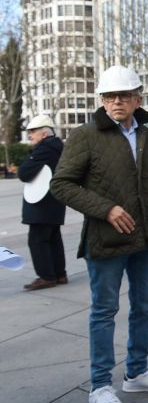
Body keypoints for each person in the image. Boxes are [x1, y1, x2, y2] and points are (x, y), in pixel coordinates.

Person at [50, 66, 148, 403]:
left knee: (145, 308)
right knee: (104, 312)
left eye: (123, 95)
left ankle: (136, 373)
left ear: (138, 99)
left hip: (146, 243)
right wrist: (106, 209)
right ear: (102, 100)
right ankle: (100, 386)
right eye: (109, 96)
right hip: (106, 241)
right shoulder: (85, 135)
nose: (116, 101)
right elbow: (61, 184)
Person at [18, 114, 67, 291]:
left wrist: (29, 158)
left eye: (33, 131)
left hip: (41, 202)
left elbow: (24, 173)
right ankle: (59, 274)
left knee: (37, 240)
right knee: (53, 238)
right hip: (55, 200)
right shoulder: (58, 147)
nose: (30, 135)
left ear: (44, 134)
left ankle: (46, 276)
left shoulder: (44, 149)